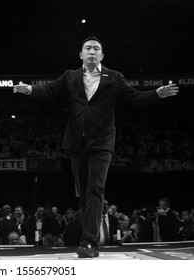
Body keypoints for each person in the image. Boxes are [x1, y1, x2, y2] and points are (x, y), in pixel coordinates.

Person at [13, 36, 179, 258]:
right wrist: (30, 90)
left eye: (96, 48)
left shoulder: (114, 77)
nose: (92, 51)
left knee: (95, 190)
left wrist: (156, 94)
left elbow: (135, 97)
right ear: (81, 55)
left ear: (102, 56)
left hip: (102, 144)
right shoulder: (70, 76)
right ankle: (89, 238)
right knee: (84, 195)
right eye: (88, 48)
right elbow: (49, 90)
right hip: (76, 144)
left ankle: (89, 242)